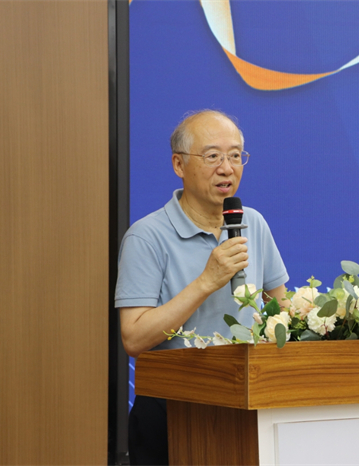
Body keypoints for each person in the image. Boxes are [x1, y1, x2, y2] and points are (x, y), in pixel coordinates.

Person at [115, 110, 289, 465]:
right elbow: (133, 338)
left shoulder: (252, 223)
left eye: (235, 156)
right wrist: (207, 282)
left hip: (243, 404)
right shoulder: (146, 236)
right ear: (179, 164)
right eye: (212, 156)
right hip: (172, 409)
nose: (227, 168)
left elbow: (282, 311)